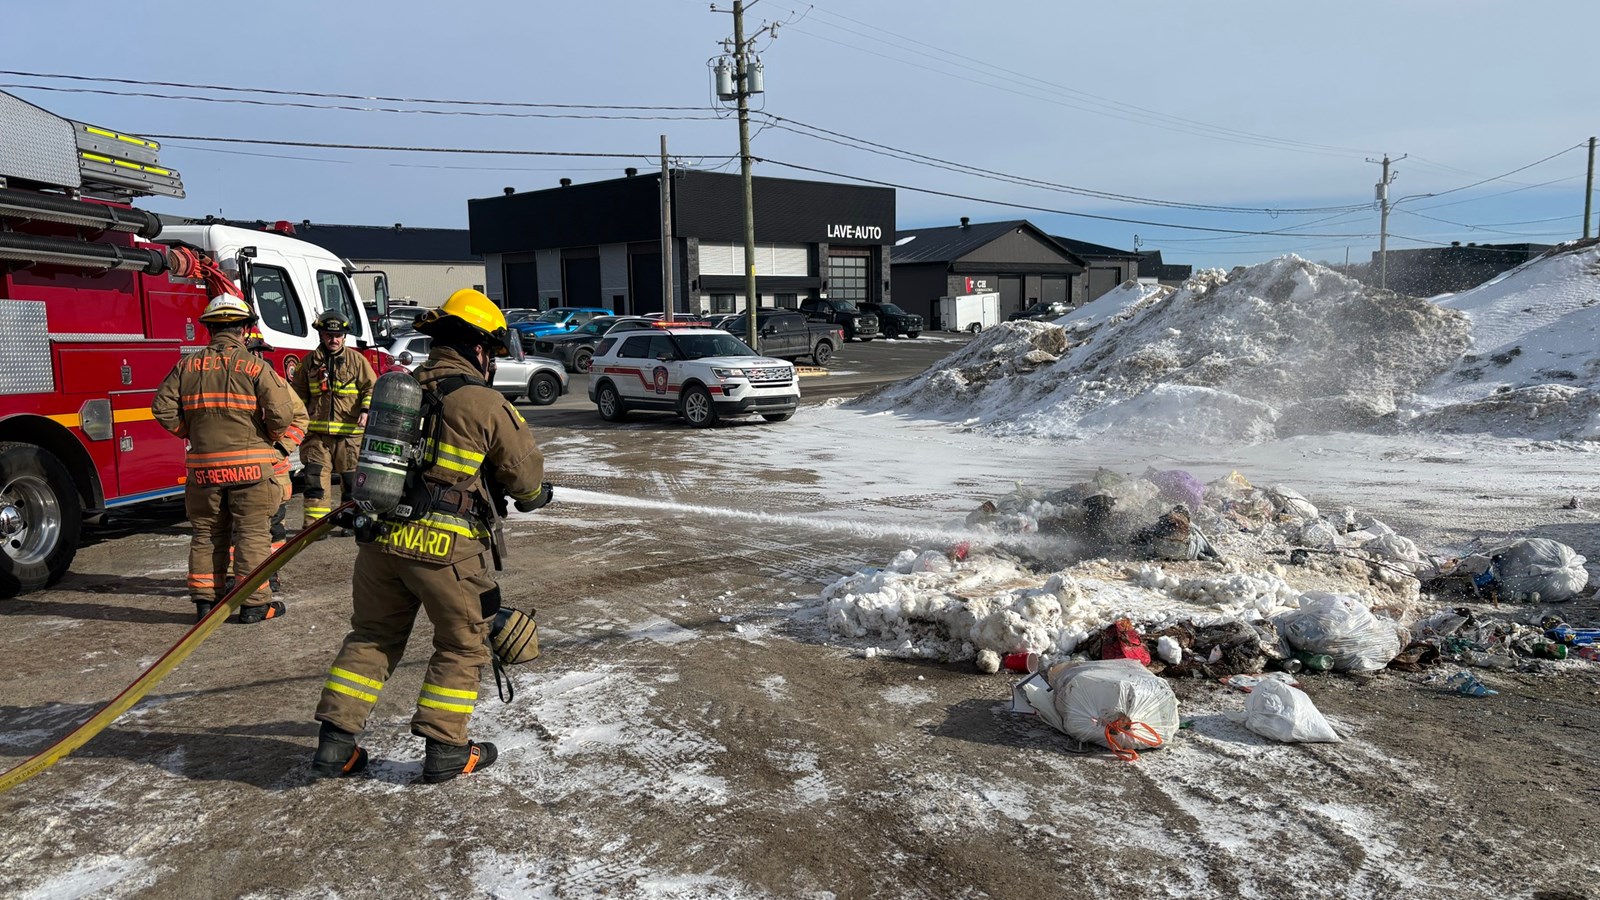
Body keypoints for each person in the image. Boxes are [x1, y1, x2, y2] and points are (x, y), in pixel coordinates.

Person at [312, 289, 550, 783]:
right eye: (491, 353)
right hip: (445, 550)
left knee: (373, 637)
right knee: (463, 645)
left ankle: (336, 747)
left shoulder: (398, 389)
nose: (491, 363)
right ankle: (446, 749)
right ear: (478, 349)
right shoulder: (484, 402)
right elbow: (525, 479)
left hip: (380, 540)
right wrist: (536, 494)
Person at [152, 295, 303, 623]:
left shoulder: (186, 366)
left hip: (204, 471)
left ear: (209, 330)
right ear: (244, 329)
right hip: (251, 471)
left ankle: (206, 603)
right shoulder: (256, 366)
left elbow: (162, 408)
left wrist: (193, 433)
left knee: (206, 534)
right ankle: (254, 605)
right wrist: (268, 438)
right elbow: (282, 413)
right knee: (252, 534)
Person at [291, 311, 377, 530]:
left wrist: (365, 410)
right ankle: (315, 527)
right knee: (315, 483)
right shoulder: (308, 363)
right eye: (329, 335)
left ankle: (350, 524)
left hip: (349, 437)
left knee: (351, 484)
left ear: (344, 336)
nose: (334, 339)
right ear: (321, 335)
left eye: (338, 335)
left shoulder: (357, 361)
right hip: (316, 437)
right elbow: (297, 395)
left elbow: (371, 388)